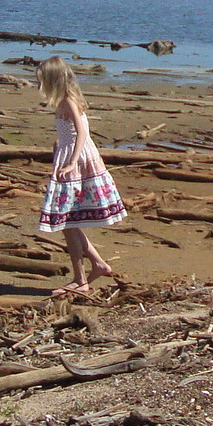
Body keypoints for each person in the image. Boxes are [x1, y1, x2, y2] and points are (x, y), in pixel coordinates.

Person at [35, 56, 127, 297]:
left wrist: (73, 161)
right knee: (68, 222)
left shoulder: (68, 100)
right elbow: (69, 132)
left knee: (66, 220)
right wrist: (58, 145)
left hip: (76, 160)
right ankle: (95, 266)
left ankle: (81, 279)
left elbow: (82, 131)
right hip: (67, 156)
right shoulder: (65, 100)